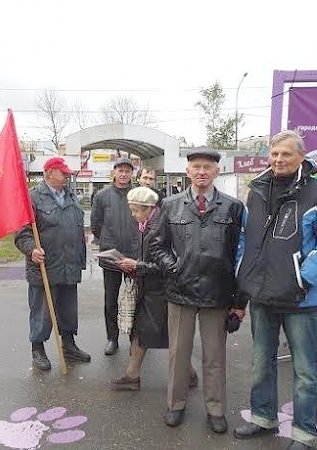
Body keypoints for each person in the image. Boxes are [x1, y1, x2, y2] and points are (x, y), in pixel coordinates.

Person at [233, 130, 317, 450]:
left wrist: (302, 280)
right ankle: (263, 417)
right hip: (263, 297)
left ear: (301, 157)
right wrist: (244, 282)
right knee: (260, 363)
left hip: (302, 299)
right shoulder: (256, 191)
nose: (279, 159)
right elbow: (245, 242)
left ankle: (304, 433)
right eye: (274, 154)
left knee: (305, 371)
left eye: (286, 154)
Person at [151, 150, 245, 432]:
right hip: (180, 292)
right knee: (178, 354)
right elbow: (157, 245)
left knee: (214, 356)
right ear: (188, 171)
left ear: (217, 171)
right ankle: (175, 405)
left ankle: (215, 409)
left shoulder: (233, 208)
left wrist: (239, 300)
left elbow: (241, 254)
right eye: (196, 167)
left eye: (208, 167)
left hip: (217, 294)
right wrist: (174, 268)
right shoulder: (170, 205)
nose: (202, 172)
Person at [110, 187, 198, 391]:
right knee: (147, 333)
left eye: (136, 210)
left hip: (163, 291)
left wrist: (137, 266)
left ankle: (188, 374)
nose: (133, 215)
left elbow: (170, 263)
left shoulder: (163, 226)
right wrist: (133, 265)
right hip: (150, 290)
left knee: (163, 336)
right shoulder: (146, 224)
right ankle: (134, 375)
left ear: (150, 208)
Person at [15, 157, 91, 371]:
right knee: (42, 311)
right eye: (63, 172)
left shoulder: (71, 196)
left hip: (69, 264)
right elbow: (22, 233)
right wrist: (31, 249)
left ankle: (68, 345)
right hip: (44, 265)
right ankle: (37, 350)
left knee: (68, 309)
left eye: (67, 173)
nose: (67, 176)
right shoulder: (33, 198)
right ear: (49, 173)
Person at [90, 157, 140, 355]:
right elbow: (95, 224)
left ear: (132, 173)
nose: (124, 174)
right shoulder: (102, 196)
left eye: (128, 170)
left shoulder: (137, 194)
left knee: (136, 299)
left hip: (134, 256)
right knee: (110, 300)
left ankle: (135, 338)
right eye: (120, 170)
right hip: (111, 256)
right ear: (114, 172)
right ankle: (112, 338)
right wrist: (106, 240)